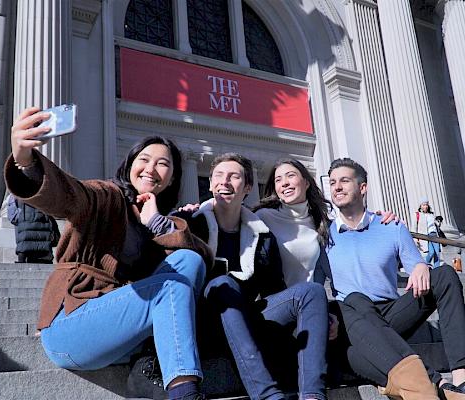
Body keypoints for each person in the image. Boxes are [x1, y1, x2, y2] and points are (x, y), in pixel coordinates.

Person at [5, 106, 213, 400]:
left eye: (163, 163)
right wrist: (26, 162)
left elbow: (202, 260)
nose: (152, 169)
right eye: (144, 159)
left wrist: (155, 223)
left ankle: (157, 368)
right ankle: (185, 393)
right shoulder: (109, 196)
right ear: (129, 165)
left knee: (188, 260)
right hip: (73, 326)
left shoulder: (166, 222)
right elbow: (73, 195)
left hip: (123, 338)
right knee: (171, 286)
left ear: (172, 177)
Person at [175, 153, 330, 400]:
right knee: (223, 284)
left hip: (248, 317)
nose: (224, 182)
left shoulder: (262, 235)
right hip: (204, 320)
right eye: (218, 175)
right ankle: (269, 396)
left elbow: (274, 290)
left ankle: (313, 395)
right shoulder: (189, 224)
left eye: (234, 176)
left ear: (247, 187)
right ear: (212, 182)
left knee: (311, 291)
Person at [318, 157, 465, 400]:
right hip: (352, 322)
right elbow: (313, 286)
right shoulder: (324, 237)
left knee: (445, 274)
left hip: (390, 314)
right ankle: (433, 384)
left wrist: (419, 266)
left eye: (344, 181)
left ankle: (460, 379)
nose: (337, 187)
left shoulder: (391, 226)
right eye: (333, 182)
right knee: (355, 301)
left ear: (362, 187)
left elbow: (416, 264)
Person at [7, 193, 60, 263]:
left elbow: (12, 216)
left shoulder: (16, 192)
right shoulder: (46, 192)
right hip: (44, 251)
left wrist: (22, 219)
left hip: (25, 251)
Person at [415, 198, 441, 268]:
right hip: (426, 236)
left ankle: (437, 268)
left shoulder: (431, 214)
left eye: (426, 205)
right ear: (420, 206)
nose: (425, 206)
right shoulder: (418, 215)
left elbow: (435, 225)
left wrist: (438, 222)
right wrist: (416, 239)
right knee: (431, 252)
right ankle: (424, 265)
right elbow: (415, 228)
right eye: (423, 205)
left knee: (437, 253)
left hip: (434, 234)